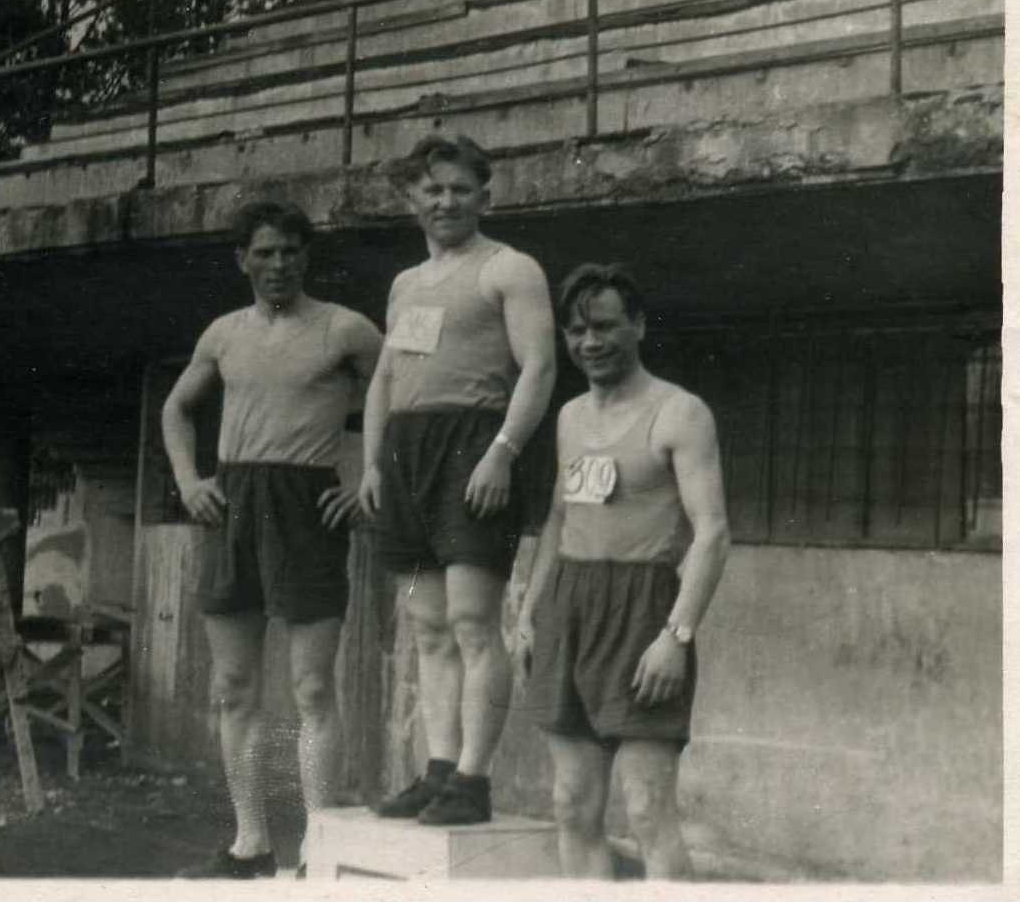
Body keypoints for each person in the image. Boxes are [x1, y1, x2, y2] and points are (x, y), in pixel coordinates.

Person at [162, 200, 383, 878]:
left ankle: (320, 847)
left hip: (307, 505)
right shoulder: (223, 333)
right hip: (234, 502)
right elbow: (176, 408)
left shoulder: (345, 328)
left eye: (289, 251)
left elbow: (397, 401)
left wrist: (368, 476)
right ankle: (250, 844)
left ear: (306, 256)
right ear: (243, 260)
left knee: (312, 686)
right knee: (234, 685)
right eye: (264, 252)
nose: (278, 264)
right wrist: (188, 481)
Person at [360, 134, 557, 825]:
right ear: (411, 197)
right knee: (427, 624)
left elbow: (539, 367)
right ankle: (439, 768)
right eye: (432, 189)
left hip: (473, 447)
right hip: (407, 457)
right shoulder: (405, 284)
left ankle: (473, 779)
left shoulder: (510, 269)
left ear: (483, 196)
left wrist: (502, 451)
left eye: (459, 189)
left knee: (473, 621)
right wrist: (372, 462)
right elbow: (385, 378)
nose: (445, 201)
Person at [515, 264, 731, 879]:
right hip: (569, 606)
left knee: (646, 809)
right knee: (572, 804)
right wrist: (529, 612)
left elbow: (713, 533)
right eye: (577, 330)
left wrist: (676, 636)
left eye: (605, 326)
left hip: (643, 610)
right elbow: (560, 518)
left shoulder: (680, 413)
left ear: (637, 325)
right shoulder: (568, 417)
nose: (591, 342)